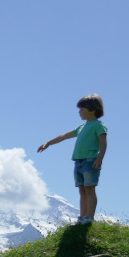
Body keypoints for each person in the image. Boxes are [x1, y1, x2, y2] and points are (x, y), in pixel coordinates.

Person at [37, 94, 107, 224]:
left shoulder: (98, 125)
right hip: (78, 162)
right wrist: (48, 143)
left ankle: (89, 217)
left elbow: (103, 143)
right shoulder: (81, 127)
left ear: (92, 109)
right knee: (82, 189)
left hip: (90, 161)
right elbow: (64, 136)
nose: (80, 112)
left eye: (82, 109)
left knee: (90, 189)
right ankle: (82, 216)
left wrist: (99, 158)